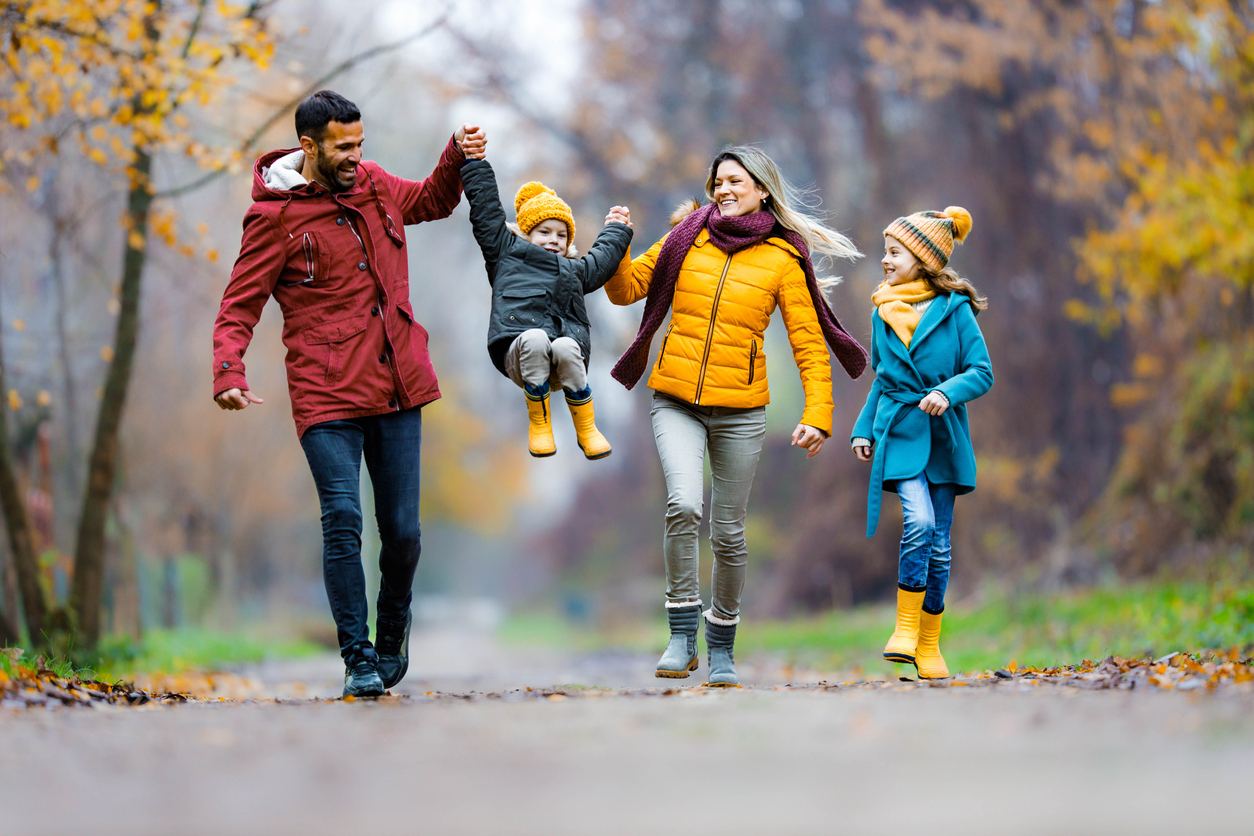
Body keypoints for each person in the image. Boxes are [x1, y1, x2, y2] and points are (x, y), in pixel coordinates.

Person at [212, 89, 487, 697]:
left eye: (360, 144)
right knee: (342, 517)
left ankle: (391, 632)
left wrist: (455, 156)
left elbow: (435, 201)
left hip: (396, 383)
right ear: (308, 146)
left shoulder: (377, 184)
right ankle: (357, 654)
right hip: (325, 390)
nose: (355, 156)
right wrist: (229, 371)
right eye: (343, 147)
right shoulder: (274, 218)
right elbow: (239, 306)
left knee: (405, 533)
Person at [607, 145, 868, 686]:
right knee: (683, 505)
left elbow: (809, 344)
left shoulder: (783, 257)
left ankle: (721, 644)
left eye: (736, 181)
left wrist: (819, 412)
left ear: (763, 189)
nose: (723, 189)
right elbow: (628, 289)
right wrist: (615, 244)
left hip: (742, 410)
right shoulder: (686, 237)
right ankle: (681, 636)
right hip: (675, 398)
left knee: (728, 532)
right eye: (718, 181)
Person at [850, 207, 993, 680]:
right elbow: (881, 381)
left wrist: (945, 392)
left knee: (940, 545)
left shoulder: (956, 312)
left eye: (894, 253)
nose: (886, 261)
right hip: (901, 433)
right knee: (920, 522)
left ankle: (929, 644)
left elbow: (981, 373)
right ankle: (904, 631)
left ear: (923, 258)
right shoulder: (881, 311)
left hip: (945, 438)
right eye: (885, 253)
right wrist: (862, 428)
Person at [460, 155, 633, 459]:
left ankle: (587, 428)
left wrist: (616, 230)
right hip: (520, 355)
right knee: (535, 338)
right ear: (526, 233)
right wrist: (475, 162)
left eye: (562, 235)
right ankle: (539, 424)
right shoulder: (506, 254)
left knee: (567, 345)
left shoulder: (573, 270)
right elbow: (486, 212)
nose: (554, 240)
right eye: (545, 232)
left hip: (562, 362)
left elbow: (601, 262)